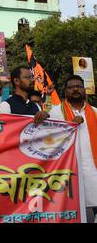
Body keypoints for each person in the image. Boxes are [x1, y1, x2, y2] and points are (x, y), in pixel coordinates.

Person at [48, 75, 97, 223]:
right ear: (65, 91)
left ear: (84, 89)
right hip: (67, 171)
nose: (75, 89)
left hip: (93, 170)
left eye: (79, 86)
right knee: (75, 213)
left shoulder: (95, 112)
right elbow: (49, 140)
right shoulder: (55, 113)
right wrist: (69, 124)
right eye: (71, 87)